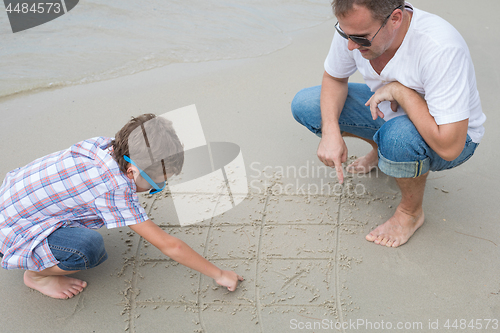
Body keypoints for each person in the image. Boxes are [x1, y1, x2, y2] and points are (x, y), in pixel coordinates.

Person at [291, 0, 485, 248]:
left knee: (398, 138)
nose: (350, 45)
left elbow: (451, 147)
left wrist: (402, 93)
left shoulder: (440, 48)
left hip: (455, 136)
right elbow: (334, 78)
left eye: (360, 39)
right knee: (307, 104)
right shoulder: (356, 26)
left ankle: (410, 213)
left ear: (395, 19)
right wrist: (330, 132)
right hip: (390, 113)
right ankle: (379, 150)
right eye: (344, 34)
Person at [0, 114, 243, 299]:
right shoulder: (113, 189)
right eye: (155, 184)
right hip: (13, 233)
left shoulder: (103, 146)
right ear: (131, 171)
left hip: (10, 197)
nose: (157, 188)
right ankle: (37, 275)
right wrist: (220, 274)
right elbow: (170, 245)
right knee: (89, 248)